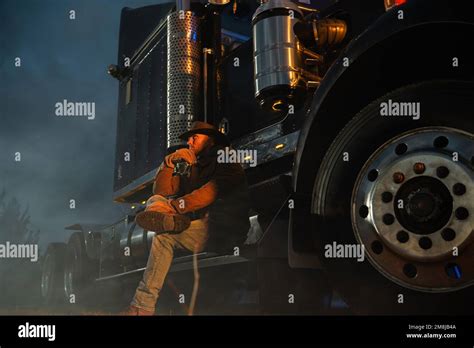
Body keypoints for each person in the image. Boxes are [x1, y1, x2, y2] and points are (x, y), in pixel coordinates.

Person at [122, 121, 251, 315]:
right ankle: (142, 307)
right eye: (189, 138)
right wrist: (169, 163)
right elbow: (163, 192)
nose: (189, 141)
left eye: (195, 137)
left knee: (165, 235)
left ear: (211, 140)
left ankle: (141, 308)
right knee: (156, 202)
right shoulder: (192, 164)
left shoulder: (227, 159)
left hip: (223, 228)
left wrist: (175, 207)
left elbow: (209, 192)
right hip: (198, 226)